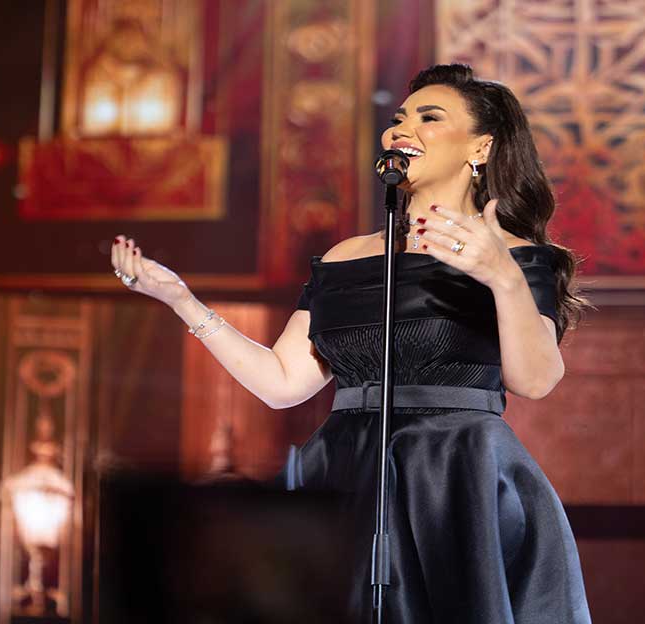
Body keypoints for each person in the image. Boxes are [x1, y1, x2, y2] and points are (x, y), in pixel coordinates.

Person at [110, 63, 592, 623]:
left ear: (480, 148)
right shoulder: (347, 257)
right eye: (399, 118)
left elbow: (535, 379)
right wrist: (182, 301)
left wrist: (501, 276)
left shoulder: (515, 256)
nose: (401, 129)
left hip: (454, 475)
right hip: (347, 466)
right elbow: (283, 383)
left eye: (430, 117)